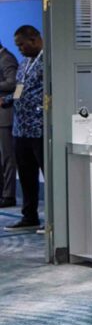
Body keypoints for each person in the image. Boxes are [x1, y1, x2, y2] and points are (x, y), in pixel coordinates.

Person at [2, 26, 45, 232]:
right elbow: (19, 90)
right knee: (27, 178)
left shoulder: (49, 61)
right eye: (17, 44)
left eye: (21, 44)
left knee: (48, 175)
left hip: (40, 129)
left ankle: (55, 220)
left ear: (35, 39)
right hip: (21, 130)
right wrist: (6, 101)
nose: (19, 48)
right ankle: (30, 217)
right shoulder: (24, 64)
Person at [0, 40, 17, 208]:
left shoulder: (6, 59)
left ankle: (8, 196)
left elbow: (13, 83)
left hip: (5, 116)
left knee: (7, 158)